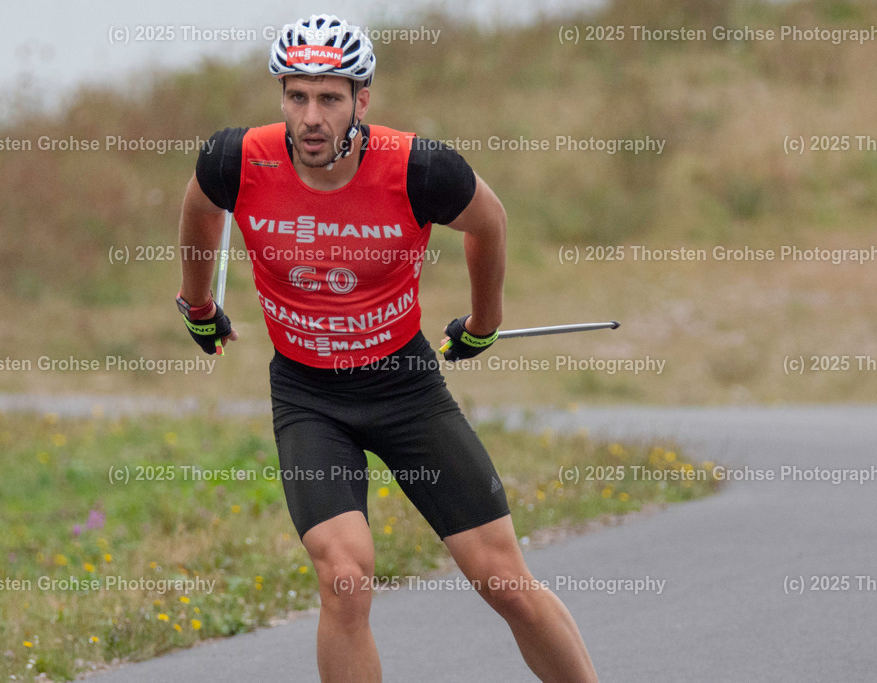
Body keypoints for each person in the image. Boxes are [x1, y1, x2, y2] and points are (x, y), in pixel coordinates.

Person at [176, 14, 598, 682]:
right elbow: (201, 209)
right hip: (310, 398)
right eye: (297, 96)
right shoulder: (236, 159)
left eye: (329, 98)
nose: (311, 117)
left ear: (361, 100)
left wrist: (484, 322)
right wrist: (198, 305)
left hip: (405, 390)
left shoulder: (419, 168)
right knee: (344, 579)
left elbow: (489, 221)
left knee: (503, 580)